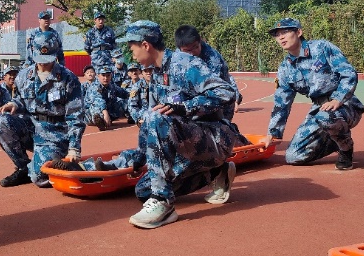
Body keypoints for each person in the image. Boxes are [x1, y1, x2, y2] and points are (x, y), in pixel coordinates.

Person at [56, 21, 238, 229]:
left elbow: (225, 93)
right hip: (187, 142)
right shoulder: (157, 74)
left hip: (214, 137)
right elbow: (151, 132)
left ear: (145, 45)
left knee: (155, 118)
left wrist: (184, 107)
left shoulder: (184, 63)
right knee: (143, 190)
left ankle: (163, 203)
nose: (131, 54)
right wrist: (133, 161)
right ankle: (216, 171)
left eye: (132, 48)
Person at [261, 18, 364, 170]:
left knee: (326, 117)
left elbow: (348, 73)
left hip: (345, 105)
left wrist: (337, 99)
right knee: (293, 156)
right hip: (319, 108)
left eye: (285, 32)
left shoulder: (322, 48)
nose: (281, 37)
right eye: (277, 35)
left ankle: (345, 148)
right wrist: (273, 133)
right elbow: (281, 103)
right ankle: (335, 140)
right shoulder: (285, 68)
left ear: (298, 32)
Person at [0, 30, 85, 188]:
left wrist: (74, 148)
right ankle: (24, 167)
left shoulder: (68, 78)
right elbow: (21, 99)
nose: (43, 63)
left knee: (40, 178)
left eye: (47, 59)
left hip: (55, 133)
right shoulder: (24, 76)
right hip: (32, 126)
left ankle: (43, 168)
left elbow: (75, 116)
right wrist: (14, 104)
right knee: (1, 122)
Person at [175, 25, 250, 146]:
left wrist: (191, 107)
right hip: (194, 102)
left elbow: (216, 93)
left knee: (219, 139)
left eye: (195, 47)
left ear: (200, 40)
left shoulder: (212, 59)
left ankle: (234, 136)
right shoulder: (176, 57)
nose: (192, 53)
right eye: (187, 51)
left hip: (219, 102)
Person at [84, 65, 129, 130]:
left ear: (111, 76)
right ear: (98, 76)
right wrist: (105, 113)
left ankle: (132, 116)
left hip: (108, 111)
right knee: (95, 107)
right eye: (103, 75)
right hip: (90, 114)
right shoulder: (94, 86)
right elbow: (99, 100)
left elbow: (124, 93)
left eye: (108, 75)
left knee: (124, 102)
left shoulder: (112, 86)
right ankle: (99, 121)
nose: (106, 78)